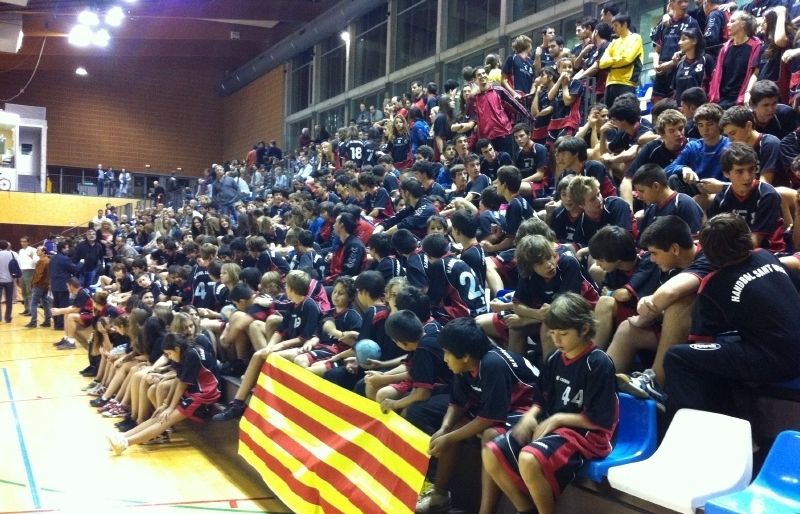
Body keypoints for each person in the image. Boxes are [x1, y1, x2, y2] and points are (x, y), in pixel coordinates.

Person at [483, 293, 618, 514]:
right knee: (491, 452)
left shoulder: (599, 363)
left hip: (588, 434)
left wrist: (557, 419)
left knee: (528, 458)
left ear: (584, 328)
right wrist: (531, 415)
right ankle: (526, 509)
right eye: (552, 333)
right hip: (558, 427)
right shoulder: (555, 358)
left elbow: (601, 418)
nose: (556, 340)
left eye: (563, 334)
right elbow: (540, 399)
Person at [664, 213, 800, 416]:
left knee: (678, 356)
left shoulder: (713, 284)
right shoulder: (766, 255)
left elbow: (700, 341)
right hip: (787, 346)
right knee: (724, 349)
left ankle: (717, 428)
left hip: (780, 361)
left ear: (709, 251)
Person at [414, 317, 541, 514]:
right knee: (454, 429)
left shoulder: (492, 363)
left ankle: (487, 510)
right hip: (505, 406)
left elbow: (490, 418)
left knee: (490, 436)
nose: (445, 358)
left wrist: (448, 438)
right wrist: (444, 429)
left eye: (447, 353)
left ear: (465, 356)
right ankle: (439, 496)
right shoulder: (465, 363)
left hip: (530, 408)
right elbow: (456, 402)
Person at [106, 333, 220, 455]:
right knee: (159, 415)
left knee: (165, 419)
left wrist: (170, 407)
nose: (169, 357)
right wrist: (165, 404)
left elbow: (182, 385)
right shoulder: (184, 351)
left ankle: (124, 443)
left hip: (204, 394)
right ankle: (122, 437)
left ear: (177, 349)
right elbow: (178, 379)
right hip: (194, 390)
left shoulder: (191, 355)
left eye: (169, 353)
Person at [709, 142, 785, 252]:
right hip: (733, 253)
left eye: (751, 169)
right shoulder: (721, 199)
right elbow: (715, 236)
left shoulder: (768, 195)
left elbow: (755, 242)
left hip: (768, 253)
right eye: (739, 171)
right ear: (726, 173)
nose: (747, 177)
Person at [708, 11, 762, 109]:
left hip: (740, 100)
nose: (728, 24)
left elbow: (755, 72)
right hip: (721, 100)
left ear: (743, 24)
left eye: (732, 21)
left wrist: (748, 93)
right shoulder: (725, 48)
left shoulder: (755, 45)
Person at [598, 14, 644, 107]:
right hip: (610, 82)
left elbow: (627, 59)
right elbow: (602, 63)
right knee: (610, 116)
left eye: (616, 25)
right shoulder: (614, 42)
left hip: (626, 82)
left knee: (626, 113)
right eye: (613, 25)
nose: (613, 28)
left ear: (625, 24)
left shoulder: (635, 38)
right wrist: (618, 59)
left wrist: (610, 62)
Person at [25, 246, 52, 328]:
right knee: (45, 302)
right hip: (45, 285)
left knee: (33, 303)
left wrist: (34, 283)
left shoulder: (42, 261)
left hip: (39, 285)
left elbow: (38, 275)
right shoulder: (48, 260)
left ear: (43, 252)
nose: (36, 251)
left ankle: (33, 322)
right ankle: (47, 321)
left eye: (38, 250)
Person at [0, 240, 20, 323]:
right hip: (10, 280)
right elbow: (17, 265)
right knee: (9, 300)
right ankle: (8, 318)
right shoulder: (12, 254)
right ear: (7, 246)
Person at [17, 236, 36, 316]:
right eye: (21, 241)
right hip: (21, 271)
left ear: (28, 242)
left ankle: (31, 310)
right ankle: (26, 308)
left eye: (24, 241)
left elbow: (36, 261)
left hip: (30, 271)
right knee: (24, 291)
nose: (23, 243)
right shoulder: (20, 251)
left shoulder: (33, 250)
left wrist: (32, 257)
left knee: (29, 291)